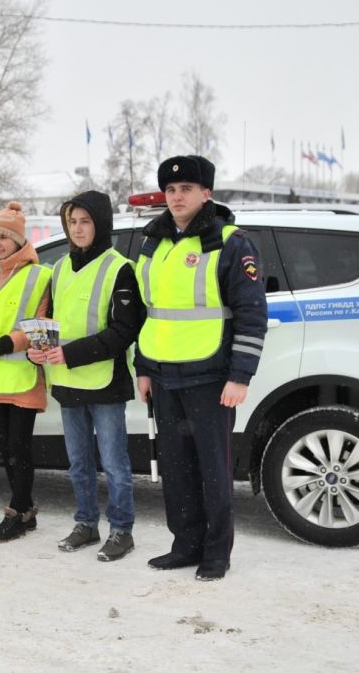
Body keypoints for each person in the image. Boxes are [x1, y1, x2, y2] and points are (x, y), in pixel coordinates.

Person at [135, 155, 268, 581]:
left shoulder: (230, 241)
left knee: (213, 470)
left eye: (186, 189)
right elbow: (146, 311)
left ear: (206, 193)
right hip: (163, 375)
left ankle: (216, 552)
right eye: (171, 190)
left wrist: (240, 375)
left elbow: (251, 313)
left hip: (211, 377)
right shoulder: (151, 240)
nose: (176, 197)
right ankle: (185, 545)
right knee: (176, 471)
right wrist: (142, 367)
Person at [29, 190, 142, 561]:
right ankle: (86, 524)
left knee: (114, 464)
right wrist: (39, 349)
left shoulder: (119, 268)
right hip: (67, 381)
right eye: (72, 222)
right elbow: (51, 322)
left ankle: (121, 530)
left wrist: (70, 353)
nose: (77, 229)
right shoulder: (59, 267)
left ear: (100, 224)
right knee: (78, 463)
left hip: (105, 381)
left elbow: (124, 331)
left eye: (85, 221)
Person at [0, 202, 52, 543]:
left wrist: (7, 343)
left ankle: (16, 512)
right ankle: (27, 510)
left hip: (21, 374)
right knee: (5, 447)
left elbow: (45, 324)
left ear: (19, 241)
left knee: (19, 446)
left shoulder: (39, 275)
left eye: (4, 237)